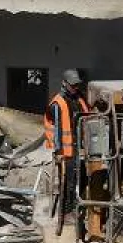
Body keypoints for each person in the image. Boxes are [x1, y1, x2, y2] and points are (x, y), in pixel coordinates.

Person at [44, 68, 90, 217]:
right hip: (65, 151)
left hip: (80, 148)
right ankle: (66, 209)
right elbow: (55, 129)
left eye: (77, 85)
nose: (75, 88)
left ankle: (77, 205)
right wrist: (57, 151)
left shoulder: (78, 98)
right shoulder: (57, 103)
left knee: (80, 178)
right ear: (64, 83)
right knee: (67, 181)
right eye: (73, 85)